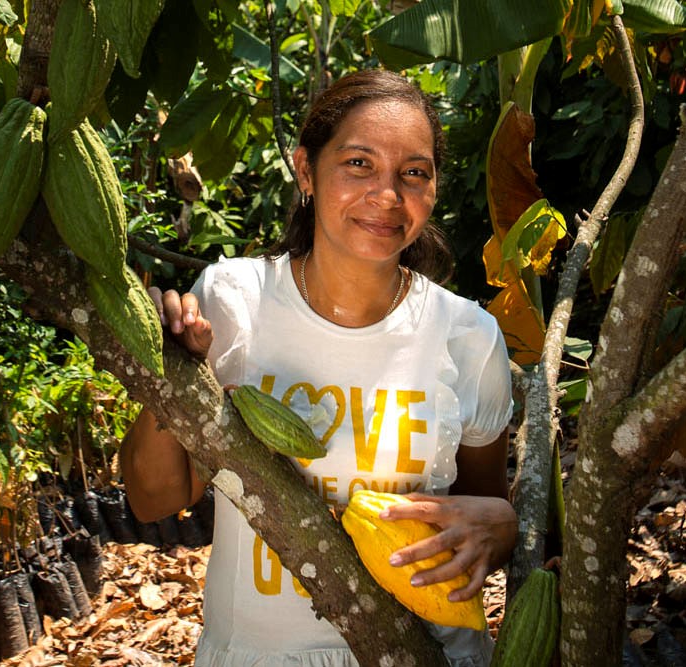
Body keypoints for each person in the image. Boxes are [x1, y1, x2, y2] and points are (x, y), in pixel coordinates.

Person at [119, 69, 517, 667]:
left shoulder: (467, 336)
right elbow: (154, 502)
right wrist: (171, 375)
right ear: (306, 171)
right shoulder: (234, 301)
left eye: (414, 172)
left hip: (426, 653)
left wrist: (505, 527)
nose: (387, 195)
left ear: (433, 189)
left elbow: (483, 513)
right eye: (359, 164)